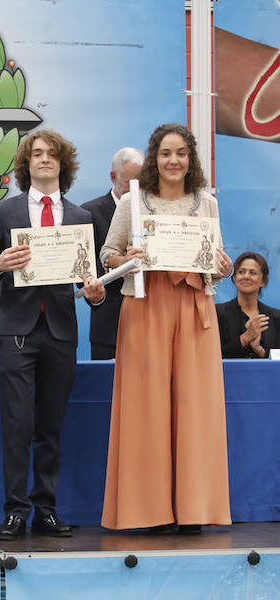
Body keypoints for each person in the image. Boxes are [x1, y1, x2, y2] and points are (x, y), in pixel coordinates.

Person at [100, 123, 233, 533]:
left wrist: (222, 267)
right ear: (154, 159)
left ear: (190, 159)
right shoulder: (133, 203)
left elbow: (216, 260)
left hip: (195, 306)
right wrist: (128, 257)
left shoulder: (206, 203)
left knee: (195, 407)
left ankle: (192, 510)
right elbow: (108, 254)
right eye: (165, 153)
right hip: (146, 304)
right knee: (146, 407)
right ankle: (150, 511)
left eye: (181, 153)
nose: (173, 161)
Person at [0, 129, 105, 540]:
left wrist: (96, 295)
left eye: (51, 154)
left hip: (61, 330)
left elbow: (91, 282)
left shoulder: (82, 217)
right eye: (36, 154)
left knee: (51, 426)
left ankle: (46, 509)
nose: (44, 159)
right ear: (26, 165)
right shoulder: (6, 212)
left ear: (63, 164)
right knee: (16, 424)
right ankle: (15, 510)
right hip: (17, 330)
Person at [81, 148, 144, 359]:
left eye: (142, 182)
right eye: (129, 183)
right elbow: (85, 274)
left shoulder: (152, 211)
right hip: (109, 326)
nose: (136, 190)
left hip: (149, 322)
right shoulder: (89, 213)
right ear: (113, 176)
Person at [216, 252, 280, 358]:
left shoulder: (276, 317)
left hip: (267, 374)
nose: (246, 276)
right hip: (229, 374)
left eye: (253, 273)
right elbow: (212, 356)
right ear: (234, 277)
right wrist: (245, 338)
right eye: (241, 272)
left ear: (263, 281)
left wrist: (260, 351)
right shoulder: (219, 313)